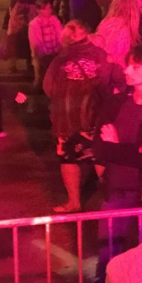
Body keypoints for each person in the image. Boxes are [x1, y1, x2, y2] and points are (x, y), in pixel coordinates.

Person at [45, 20, 116, 214]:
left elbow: (47, 87)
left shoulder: (60, 59)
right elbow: (112, 80)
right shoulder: (101, 56)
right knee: (99, 157)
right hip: (95, 116)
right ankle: (113, 200)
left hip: (67, 118)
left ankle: (73, 202)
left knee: (69, 158)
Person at [93, 45, 142, 212]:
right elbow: (99, 149)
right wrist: (136, 150)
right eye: (128, 65)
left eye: (135, 67)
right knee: (110, 238)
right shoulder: (116, 103)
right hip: (115, 189)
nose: (126, 71)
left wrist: (115, 147)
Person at [26, 0, 63, 89]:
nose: (49, 10)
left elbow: (60, 34)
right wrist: (42, 54)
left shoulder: (54, 20)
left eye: (50, 8)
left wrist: (60, 49)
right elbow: (35, 42)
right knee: (42, 78)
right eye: (46, 9)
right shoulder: (34, 24)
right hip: (42, 56)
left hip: (55, 53)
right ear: (39, 10)